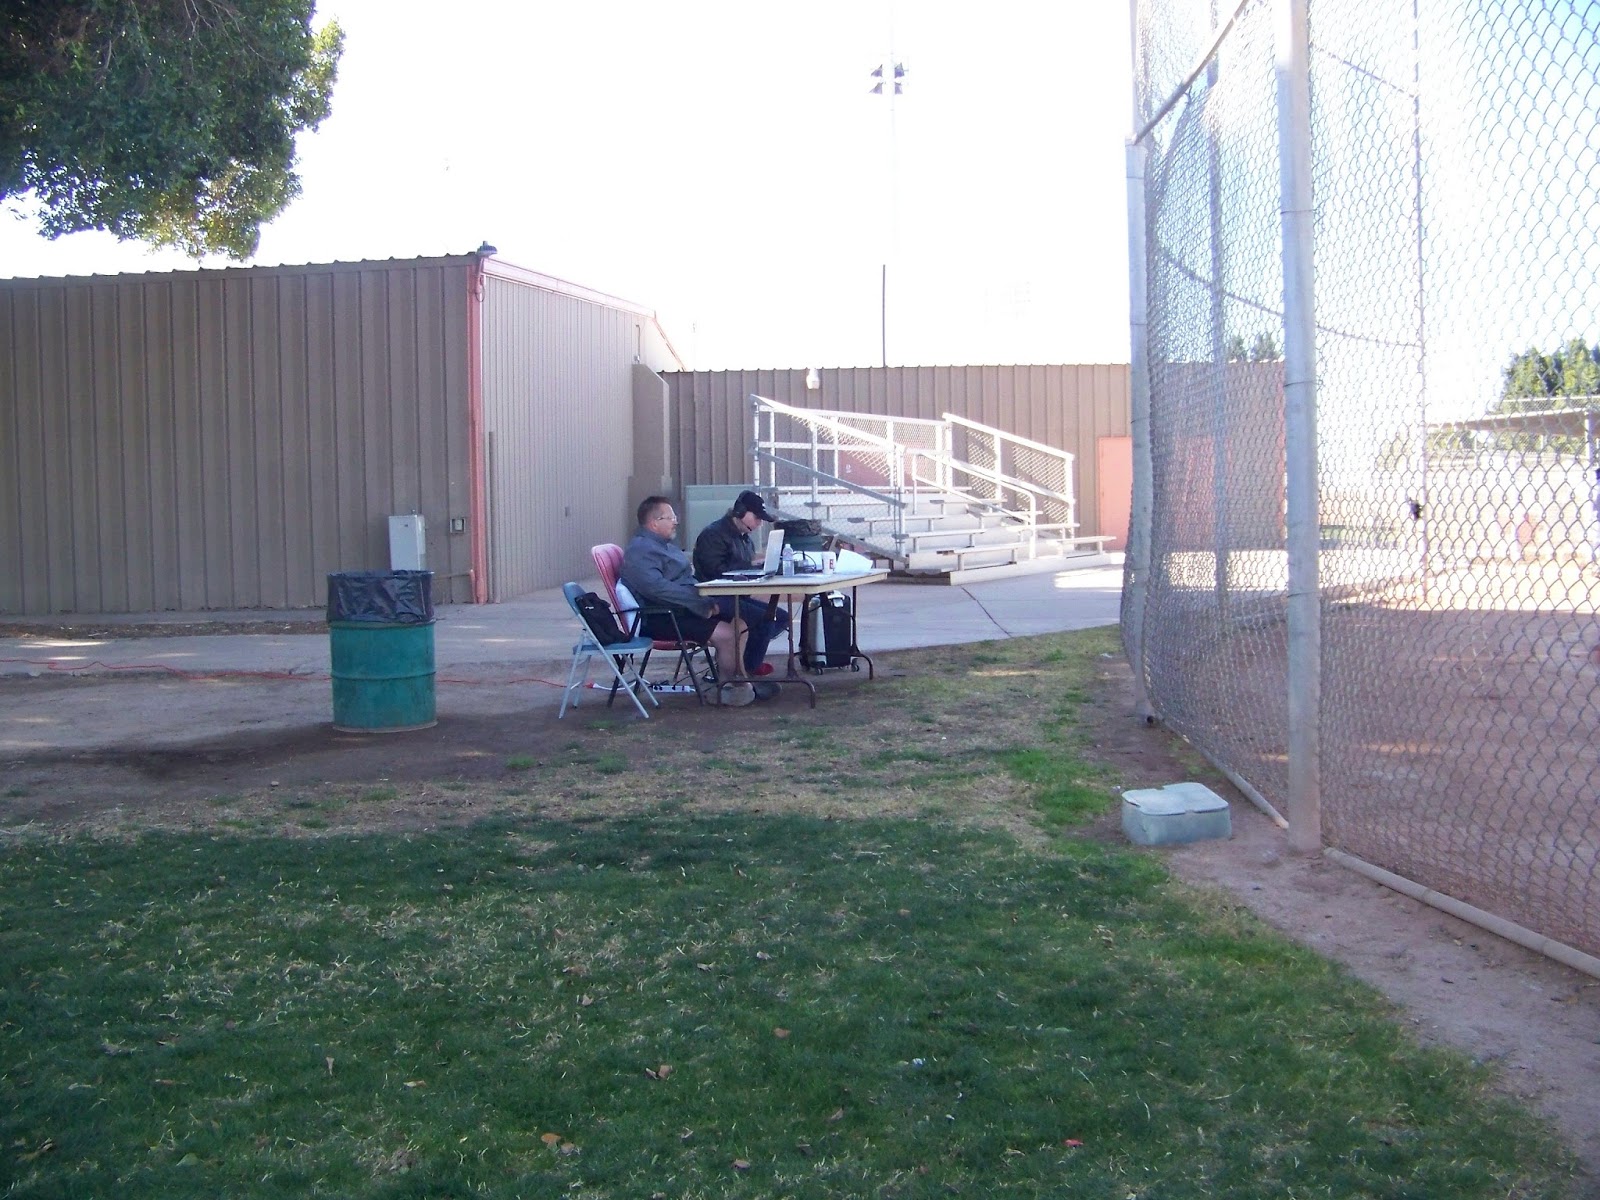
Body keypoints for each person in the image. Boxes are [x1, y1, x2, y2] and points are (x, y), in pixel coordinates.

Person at [620, 496, 756, 705]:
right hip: (661, 616)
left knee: (741, 624)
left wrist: (706, 595)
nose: (676, 521)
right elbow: (658, 590)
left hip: (680, 609)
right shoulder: (641, 550)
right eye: (671, 517)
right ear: (654, 522)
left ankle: (737, 683)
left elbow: (681, 582)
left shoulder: (662, 545)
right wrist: (700, 603)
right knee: (728, 634)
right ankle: (733, 687)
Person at [692, 489, 792, 677]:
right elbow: (714, 570)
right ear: (740, 511)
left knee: (779, 617)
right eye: (756, 518)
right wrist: (749, 568)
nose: (758, 523)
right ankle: (746, 668)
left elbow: (739, 563)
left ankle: (746, 660)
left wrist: (756, 568)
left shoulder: (743, 537)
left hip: (735, 594)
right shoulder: (713, 534)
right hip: (715, 597)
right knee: (765, 619)